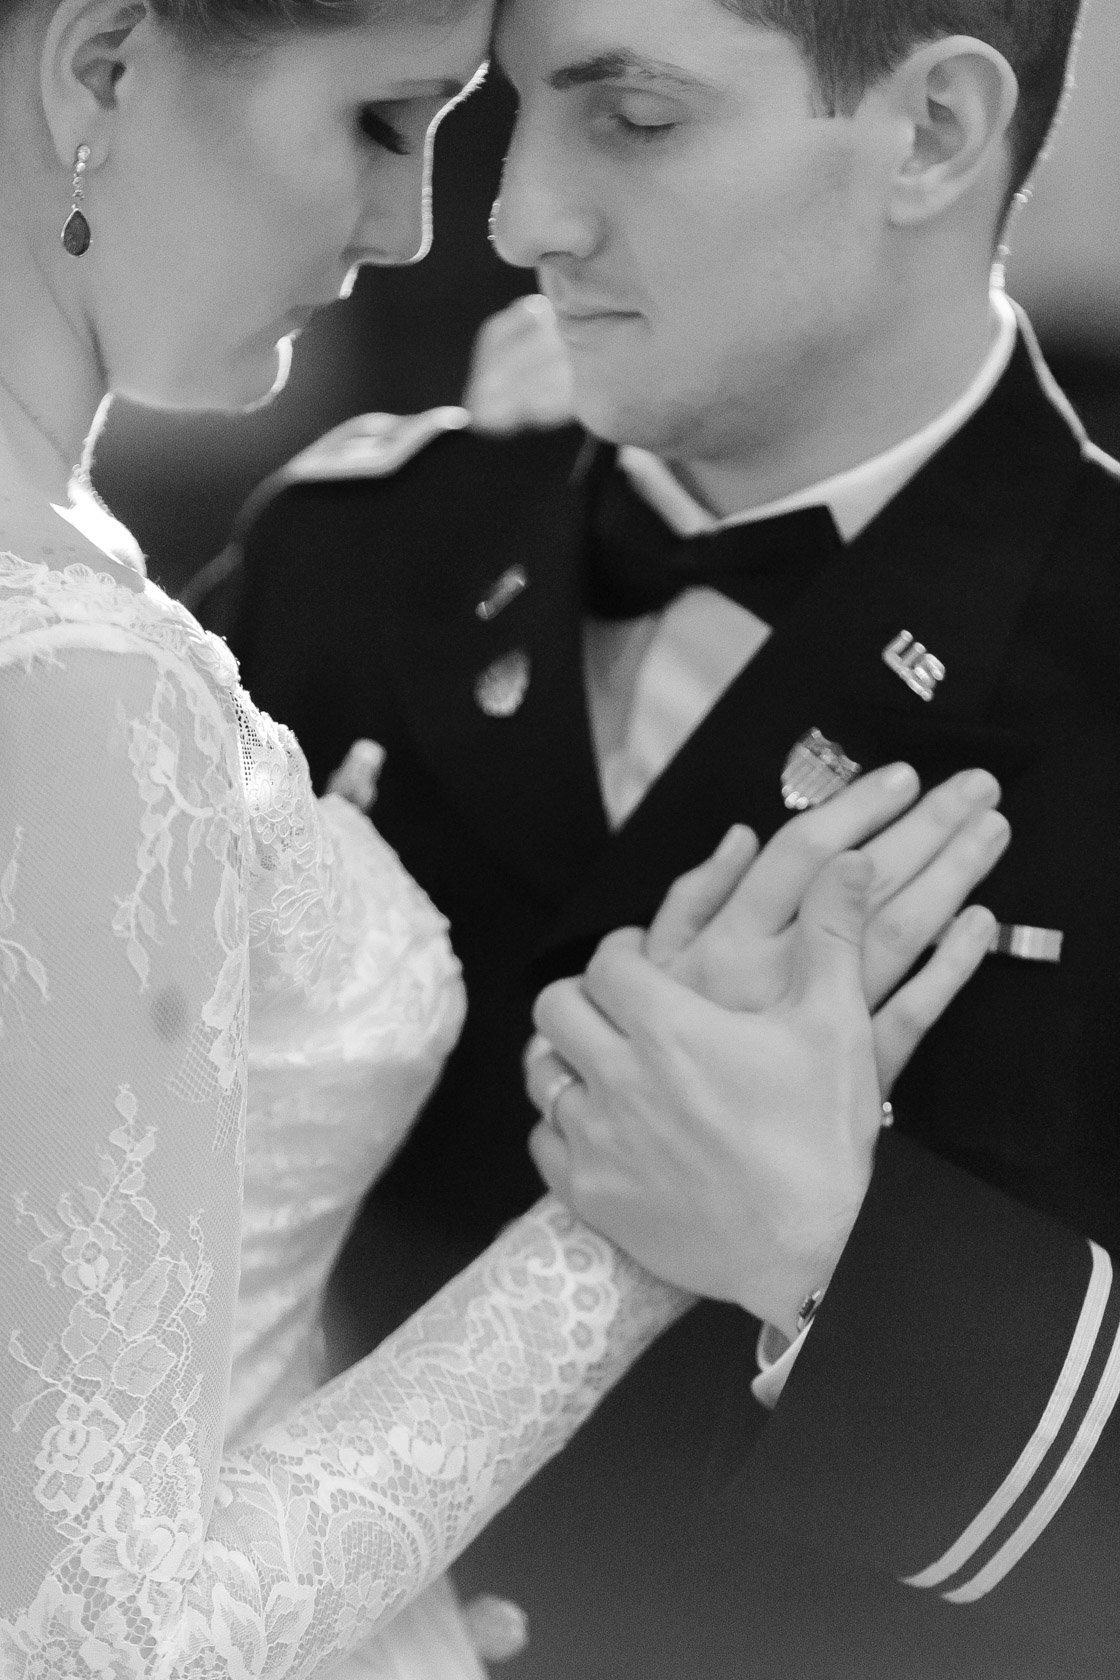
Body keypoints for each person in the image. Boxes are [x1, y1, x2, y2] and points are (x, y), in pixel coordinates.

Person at [0, 4, 1000, 1678]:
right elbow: (102, 1632)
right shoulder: (84, 671)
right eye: (387, 123)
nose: (420, 229)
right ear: (102, 66)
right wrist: (623, 1234)